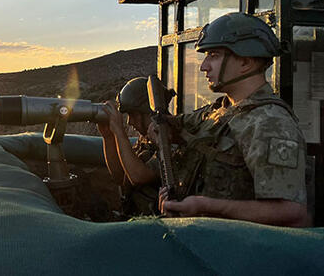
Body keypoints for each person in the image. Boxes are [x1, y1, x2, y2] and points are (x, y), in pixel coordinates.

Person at [154, 12, 309, 227]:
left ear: (245, 62)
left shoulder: (270, 123)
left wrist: (205, 207)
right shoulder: (221, 110)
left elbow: (293, 213)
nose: (203, 66)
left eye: (214, 55)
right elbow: (173, 127)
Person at [97, 77, 174, 216]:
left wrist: (119, 131)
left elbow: (138, 176)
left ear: (147, 112)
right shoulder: (146, 141)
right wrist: (108, 137)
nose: (130, 122)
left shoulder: (170, 139)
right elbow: (120, 176)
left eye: (133, 115)